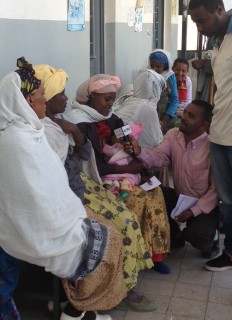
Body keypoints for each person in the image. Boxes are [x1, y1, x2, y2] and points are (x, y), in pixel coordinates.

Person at [0, 57, 128, 320]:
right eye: (42, 95)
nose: (44, 100)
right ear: (27, 102)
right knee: (107, 240)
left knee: (105, 234)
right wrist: (70, 219)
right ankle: (78, 308)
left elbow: (49, 188)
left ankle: (82, 307)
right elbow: (37, 199)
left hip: (47, 217)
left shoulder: (27, 131)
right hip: (34, 230)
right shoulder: (18, 140)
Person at [33, 64, 157, 313]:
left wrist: (79, 135)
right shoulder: (44, 130)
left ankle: (127, 282)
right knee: (116, 224)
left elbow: (84, 153)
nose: (66, 99)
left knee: (131, 214)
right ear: (43, 99)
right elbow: (66, 170)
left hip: (83, 183)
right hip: (71, 191)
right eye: (60, 95)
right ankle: (110, 290)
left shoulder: (65, 123)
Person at [65, 74, 171, 275]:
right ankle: (132, 257)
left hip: (125, 173)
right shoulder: (80, 124)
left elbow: (129, 143)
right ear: (92, 96)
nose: (111, 104)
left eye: (113, 99)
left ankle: (155, 253)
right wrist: (125, 170)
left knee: (155, 192)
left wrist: (135, 155)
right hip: (98, 180)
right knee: (138, 198)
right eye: (106, 99)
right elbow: (91, 166)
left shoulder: (113, 118)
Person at [124, 100, 220, 259]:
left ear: (203, 125)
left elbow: (216, 190)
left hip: (204, 206)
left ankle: (212, 240)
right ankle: (175, 236)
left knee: (197, 235)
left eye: (191, 116)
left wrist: (192, 211)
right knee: (153, 193)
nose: (184, 117)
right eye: (186, 112)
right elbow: (159, 157)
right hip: (180, 198)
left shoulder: (212, 147)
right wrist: (138, 151)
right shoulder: (173, 135)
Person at [188, 0, 232, 272]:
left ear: (220, 10)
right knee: (229, 202)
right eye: (195, 22)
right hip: (219, 136)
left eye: (202, 20)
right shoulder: (218, 41)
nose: (199, 26)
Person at [113, 69, 165, 148]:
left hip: (114, 137)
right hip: (119, 143)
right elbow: (157, 141)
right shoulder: (147, 106)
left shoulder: (130, 97)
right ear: (157, 89)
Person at [101, 123, 143, 201]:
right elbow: (106, 149)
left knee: (127, 181)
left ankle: (124, 193)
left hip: (127, 174)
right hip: (113, 173)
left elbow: (137, 161)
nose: (119, 140)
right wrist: (104, 143)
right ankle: (110, 189)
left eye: (122, 138)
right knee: (108, 181)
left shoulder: (126, 148)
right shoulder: (113, 147)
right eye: (115, 137)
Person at [148, 49, 178, 133]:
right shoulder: (146, 75)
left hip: (166, 115)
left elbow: (174, 100)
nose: (154, 69)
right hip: (149, 115)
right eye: (151, 66)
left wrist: (164, 120)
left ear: (165, 66)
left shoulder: (170, 77)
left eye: (158, 66)